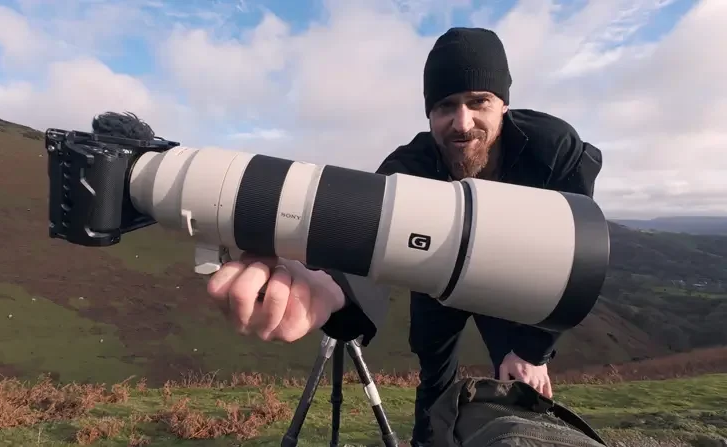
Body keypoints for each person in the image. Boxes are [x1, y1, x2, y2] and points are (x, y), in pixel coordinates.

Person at [204, 26, 603, 447]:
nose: (462, 123)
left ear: (503, 103)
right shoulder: (408, 167)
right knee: (435, 380)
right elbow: (363, 234)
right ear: (429, 114)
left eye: (478, 101)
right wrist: (335, 286)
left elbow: (571, 258)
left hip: (512, 283)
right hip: (438, 282)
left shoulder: (552, 150)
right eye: (446, 106)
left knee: (516, 383)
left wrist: (533, 351)